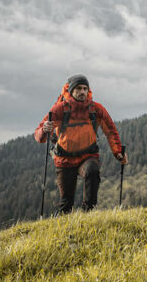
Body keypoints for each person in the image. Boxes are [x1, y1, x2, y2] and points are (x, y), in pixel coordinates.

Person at [34, 74, 127, 213]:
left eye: (85, 88)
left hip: (88, 156)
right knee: (66, 203)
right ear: (71, 90)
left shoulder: (96, 109)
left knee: (93, 172)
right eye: (78, 88)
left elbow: (111, 131)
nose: (82, 92)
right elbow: (39, 137)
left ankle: (87, 214)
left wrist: (118, 152)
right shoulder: (59, 109)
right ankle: (65, 229)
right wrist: (44, 130)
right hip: (64, 159)